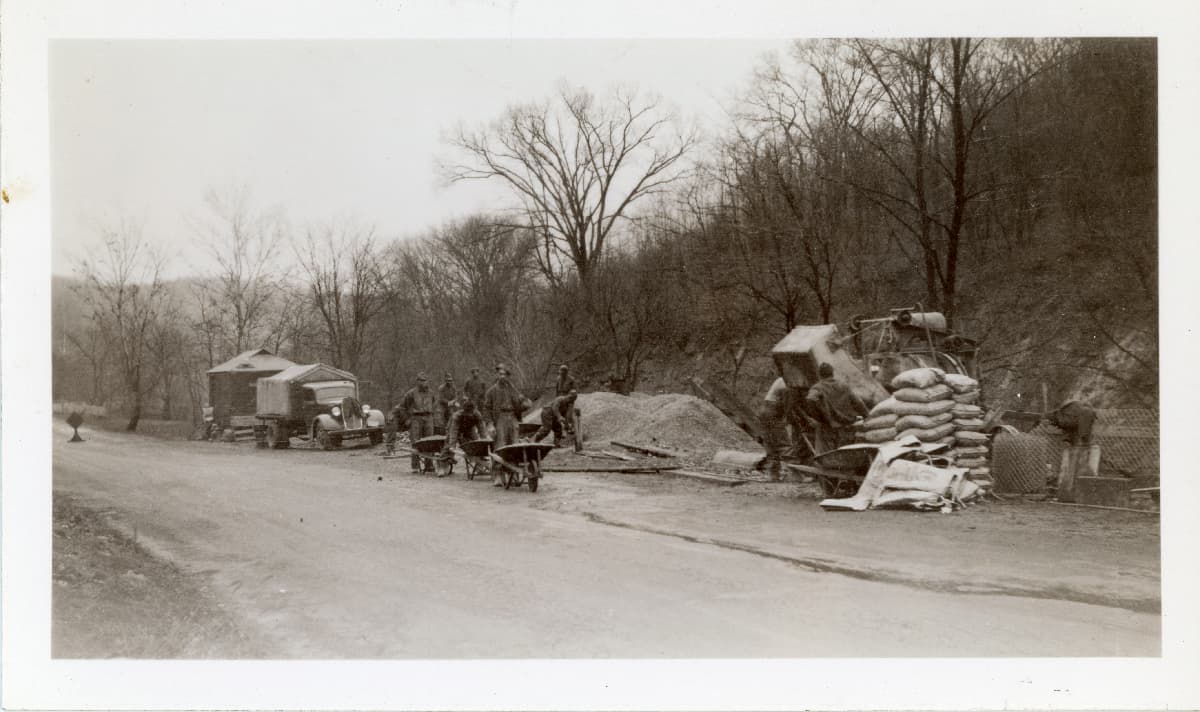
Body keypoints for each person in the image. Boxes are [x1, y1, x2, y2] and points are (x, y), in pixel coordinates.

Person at [806, 362, 869, 451]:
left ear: (819, 374)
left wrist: (818, 418)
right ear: (832, 373)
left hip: (829, 427)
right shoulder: (843, 385)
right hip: (847, 425)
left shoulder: (817, 388)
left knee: (830, 452)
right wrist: (867, 415)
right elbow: (857, 402)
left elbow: (810, 399)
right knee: (848, 450)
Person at [483, 364, 527, 486]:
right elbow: (486, 409)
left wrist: (524, 403)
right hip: (500, 418)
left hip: (512, 417)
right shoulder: (491, 391)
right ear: (497, 375)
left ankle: (514, 474)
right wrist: (490, 424)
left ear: (508, 376)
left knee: (514, 445)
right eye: (500, 374)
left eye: (504, 374)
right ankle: (497, 474)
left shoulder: (513, 390)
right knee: (500, 445)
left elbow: (519, 404)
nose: (502, 377)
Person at [401, 372, 437, 473]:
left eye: (425, 380)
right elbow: (402, 406)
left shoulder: (431, 393)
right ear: (417, 381)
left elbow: (434, 403)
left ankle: (429, 465)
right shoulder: (411, 393)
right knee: (415, 442)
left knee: (430, 441)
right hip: (416, 418)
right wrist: (406, 419)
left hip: (429, 417)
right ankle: (415, 466)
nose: (423, 382)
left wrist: (432, 416)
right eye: (421, 380)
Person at [441, 399, 484, 476]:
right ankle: (442, 467)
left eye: (471, 413)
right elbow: (453, 432)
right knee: (448, 445)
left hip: (469, 429)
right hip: (453, 428)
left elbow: (481, 429)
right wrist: (452, 446)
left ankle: (479, 466)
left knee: (476, 444)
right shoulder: (456, 416)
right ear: (464, 411)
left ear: (474, 410)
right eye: (467, 413)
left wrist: (484, 441)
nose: (469, 415)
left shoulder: (477, 415)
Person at [759, 377, 790, 481]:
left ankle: (773, 474)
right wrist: (785, 418)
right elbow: (786, 404)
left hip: (765, 410)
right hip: (773, 411)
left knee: (771, 444)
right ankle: (790, 473)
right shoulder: (786, 381)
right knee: (784, 444)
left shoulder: (780, 379)